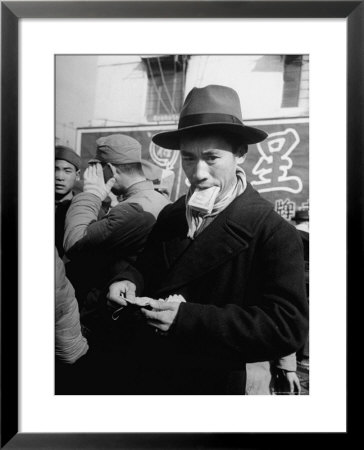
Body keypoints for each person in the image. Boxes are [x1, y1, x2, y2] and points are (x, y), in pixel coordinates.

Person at [106, 84, 309, 395]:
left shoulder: (272, 230)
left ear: (240, 153)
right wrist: (128, 279)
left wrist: (189, 319)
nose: (198, 172)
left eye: (212, 157)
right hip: (152, 373)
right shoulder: (173, 214)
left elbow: (286, 326)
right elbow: (145, 265)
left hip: (218, 381)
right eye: (188, 158)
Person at [63, 134, 170, 345]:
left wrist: (92, 194)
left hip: (106, 321)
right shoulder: (156, 199)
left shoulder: (133, 208)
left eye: (97, 169)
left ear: (110, 170)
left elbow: (74, 243)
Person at [55, 145, 81, 258]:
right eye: (54, 169)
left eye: (67, 171)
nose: (60, 177)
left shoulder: (82, 208)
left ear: (77, 175)